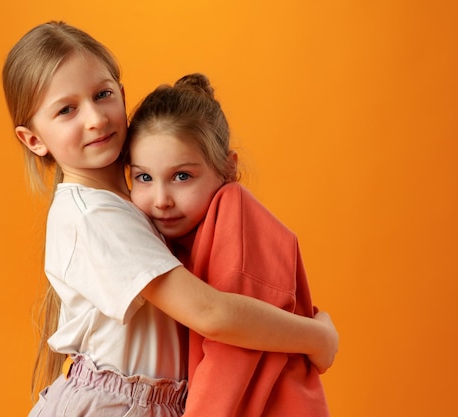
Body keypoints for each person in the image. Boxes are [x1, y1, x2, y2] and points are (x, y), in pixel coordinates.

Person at [2, 21, 338, 417]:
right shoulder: (93, 215)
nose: (94, 118)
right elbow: (210, 313)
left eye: (102, 94)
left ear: (122, 96)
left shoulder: (130, 205)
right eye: (66, 109)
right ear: (34, 140)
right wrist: (316, 337)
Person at [127, 73, 332, 416]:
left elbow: (231, 350)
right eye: (144, 177)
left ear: (227, 168)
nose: (161, 199)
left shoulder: (234, 217)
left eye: (182, 176)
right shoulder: (178, 236)